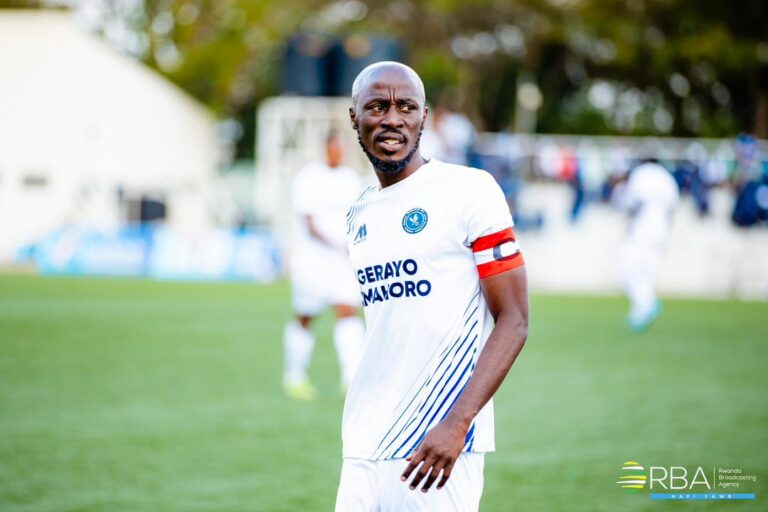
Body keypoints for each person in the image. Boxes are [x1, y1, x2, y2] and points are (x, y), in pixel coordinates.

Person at [335, 62, 529, 511]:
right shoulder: (357, 212)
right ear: (354, 117)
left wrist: (458, 423)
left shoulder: (469, 190)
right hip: (361, 443)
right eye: (377, 107)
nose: (392, 119)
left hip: (437, 445)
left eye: (406, 107)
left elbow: (515, 319)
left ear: (424, 116)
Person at [283, 133, 365, 401]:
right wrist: (337, 243)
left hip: (342, 261)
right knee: (306, 315)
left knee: (347, 311)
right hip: (312, 260)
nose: (338, 152)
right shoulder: (309, 177)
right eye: (334, 147)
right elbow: (309, 222)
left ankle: (351, 376)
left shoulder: (351, 179)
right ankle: (294, 375)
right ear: (326, 148)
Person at [618, 159, 680, 331]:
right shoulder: (666, 176)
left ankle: (647, 303)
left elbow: (633, 201)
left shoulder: (641, 173)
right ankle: (642, 309)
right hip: (662, 228)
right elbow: (673, 205)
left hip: (643, 227)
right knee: (646, 271)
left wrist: (628, 220)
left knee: (628, 269)